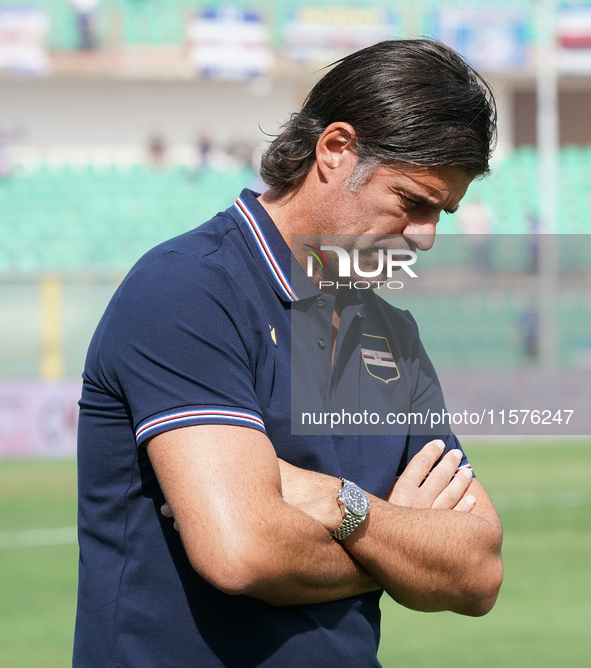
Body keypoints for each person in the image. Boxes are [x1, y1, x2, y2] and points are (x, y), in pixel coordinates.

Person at [74, 40, 503, 667]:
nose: (427, 236)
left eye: (442, 212)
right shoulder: (187, 290)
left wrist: (338, 503)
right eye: (413, 201)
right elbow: (242, 551)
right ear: (334, 151)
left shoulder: (389, 333)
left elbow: (476, 569)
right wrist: (398, 545)